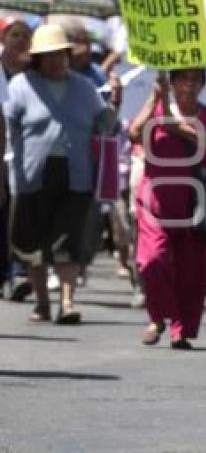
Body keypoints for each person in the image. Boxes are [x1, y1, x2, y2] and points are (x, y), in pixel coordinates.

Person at [5, 24, 120, 324]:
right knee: (33, 244)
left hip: (75, 174)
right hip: (32, 175)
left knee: (68, 241)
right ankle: (42, 302)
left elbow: (106, 125)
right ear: (38, 59)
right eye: (49, 56)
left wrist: (114, 104)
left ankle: (67, 302)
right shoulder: (20, 86)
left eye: (61, 55)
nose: (57, 61)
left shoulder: (84, 88)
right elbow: (6, 127)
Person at [129, 67, 206, 349]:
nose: (190, 85)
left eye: (196, 79)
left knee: (191, 270)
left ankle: (180, 329)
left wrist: (182, 130)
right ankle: (157, 318)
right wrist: (155, 98)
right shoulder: (156, 111)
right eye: (183, 79)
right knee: (152, 261)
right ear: (173, 82)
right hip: (155, 200)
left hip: (194, 202)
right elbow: (134, 134)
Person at [0, 20, 31, 299]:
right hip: (2, 150)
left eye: (25, 36)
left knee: (19, 213)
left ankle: (19, 271)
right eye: (15, 35)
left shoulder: (35, 74)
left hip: (26, 154)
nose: (20, 41)